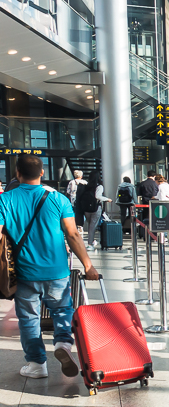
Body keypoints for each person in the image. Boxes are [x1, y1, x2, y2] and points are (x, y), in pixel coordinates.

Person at [0, 155, 98, 379]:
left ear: (17, 173)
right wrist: (88, 265)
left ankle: (36, 365)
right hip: (57, 271)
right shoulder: (59, 199)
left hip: (24, 272)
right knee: (62, 310)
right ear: (42, 173)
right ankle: (63, 343)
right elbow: (72, 234)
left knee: (29, 318)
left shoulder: (5, 200)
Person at [75, 171, 108, 250]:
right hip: (96, 208)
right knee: (92, 227)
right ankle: (90, 244)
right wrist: (107, 199)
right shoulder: (99, 186)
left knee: (90, 225)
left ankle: (92, 241)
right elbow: (98, 196)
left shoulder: (86, 186)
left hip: (86, 209)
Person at [155, 174, 169, 244]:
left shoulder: (161, 186)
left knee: (163, 221)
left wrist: (156, 199)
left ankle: (164, 237)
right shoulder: (168, 185)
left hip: (164, 205)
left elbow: (161, 197)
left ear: (157, 180)